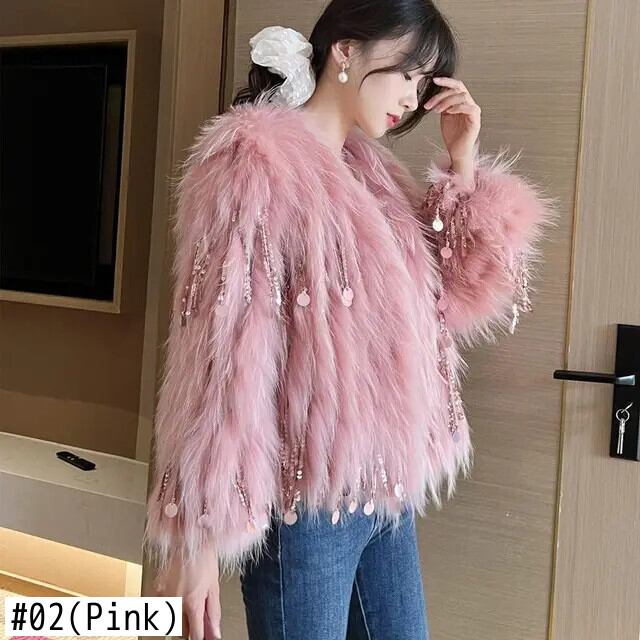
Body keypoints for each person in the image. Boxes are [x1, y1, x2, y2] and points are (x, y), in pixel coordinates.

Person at [144, 1, 558, 638]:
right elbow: (220, 347)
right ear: (344, 50)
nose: (412, 98)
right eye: (406, 74)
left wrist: (463, 164)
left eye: (424, 83)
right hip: (305, 506)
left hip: (384, 496)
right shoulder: (252, 162)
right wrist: (195, 534)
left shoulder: (375, 177)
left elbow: (453, 298)